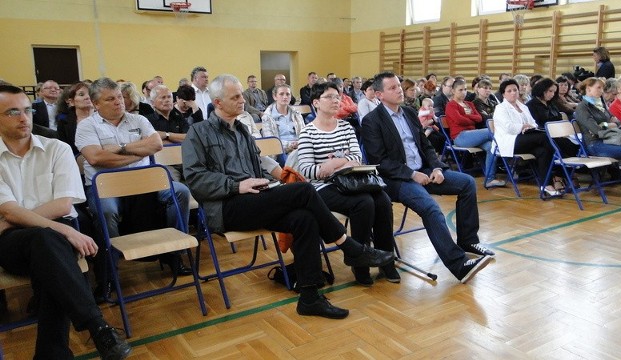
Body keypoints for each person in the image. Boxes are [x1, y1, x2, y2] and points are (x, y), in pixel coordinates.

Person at [182, 74, 394, 319]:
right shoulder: (198, 133)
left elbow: (260, 163)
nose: (243, 100)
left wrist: (280, 175)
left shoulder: (241, 130)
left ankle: (310, 298)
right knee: (304, 190)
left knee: (304, 218)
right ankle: (349, 247)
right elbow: (195, 179)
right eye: (236, 97)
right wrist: (236, 186)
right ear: (217, 103)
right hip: (226, 206)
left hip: (256, 199)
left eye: (241, 95)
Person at [0, 85, 131, 359]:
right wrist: (61, 228)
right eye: (13, 112)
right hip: (16, 243)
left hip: (39, 237)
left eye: (26, 110)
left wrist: (14, 219)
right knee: (48, 242)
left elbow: (62, 204)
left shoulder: (56, 148)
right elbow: (9, 210)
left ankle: (53, 354)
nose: (24, 118)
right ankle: (97, 326)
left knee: (50, 256)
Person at [361, 71, 493, 284]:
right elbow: (380, 162)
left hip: (425, 171)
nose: (399, 90)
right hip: (398, 179)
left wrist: (437, 168)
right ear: (379, 94)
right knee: (431, 208)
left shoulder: (409, 112)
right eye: (392, 88)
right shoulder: (371, 121)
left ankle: (468, 241)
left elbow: (426, 145)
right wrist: (412, 174)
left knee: (467, 183)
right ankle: (459, 266)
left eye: (399, 86)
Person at [75, 77, 193, 291]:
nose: (118, 102)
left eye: (119, 96)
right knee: (106, 211)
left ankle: (174, 256)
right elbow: (95, 158)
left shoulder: (138, 120)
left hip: (144, 181)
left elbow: (156, 144)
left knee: (181, 193)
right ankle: (109, 270)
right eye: (110, 99)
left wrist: (118, 149)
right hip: (106, 185)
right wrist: (136, 152)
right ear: (96, 104)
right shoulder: (86, 126)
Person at [297, 82, 399, 285]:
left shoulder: (345, 127)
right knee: (364, 203)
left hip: (351, 181)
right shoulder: (307, 132)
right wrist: (340, 163)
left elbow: (356, 157)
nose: (336, 100)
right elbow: (307, 170)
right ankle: (359, 261)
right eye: (329, 97)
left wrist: (334, 162)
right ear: (316, 102)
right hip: (322, 187)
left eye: (337, 96)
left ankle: (386, 260)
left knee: (382, 200)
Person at [575, 77, 621, 205]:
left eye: (602, 88)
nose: (601, 91)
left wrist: (608, 123)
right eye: (598, 88)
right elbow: (596, 129)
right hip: (595, 144)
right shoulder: (582, 107)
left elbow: (615, 120)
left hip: (609, 139)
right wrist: (607, 124)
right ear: (588, 89)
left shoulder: (600, 103)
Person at [492, 79, 559, 196]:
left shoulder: (523, 107)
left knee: (543, 151)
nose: (513, 93)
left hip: (527, 139)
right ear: (503, 94)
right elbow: (508, 127)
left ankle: (545, 185)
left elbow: (534, 123)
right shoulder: (500, 108)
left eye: (515, 90)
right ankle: (561, 166)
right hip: (510, 141)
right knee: (544, 138)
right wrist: (523, 126)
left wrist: (529, 127)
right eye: (509, 91)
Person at [445, 79, 504, 188]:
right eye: (460, 90)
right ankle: (510, 145)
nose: (464, 92)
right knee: (490, 131)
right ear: (453, 91)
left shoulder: (469, 104)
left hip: (473, 135)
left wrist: (466, 116)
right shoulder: (451, 105)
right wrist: (469, 117)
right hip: (460, 137)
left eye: (465, 89)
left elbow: (479, 118)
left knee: (492, 146)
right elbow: (459, 120)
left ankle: (489, 179)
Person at [261, 84, 305, 164]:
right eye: (281, 94)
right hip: (280, 151)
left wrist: (300, 143)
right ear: (275, 97)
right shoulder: (267, 116)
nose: (285, 97)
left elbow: (304, 133)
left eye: (288, 94)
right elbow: (271, 141)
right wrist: (291, 145)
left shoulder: (297, 113)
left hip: (299, 147)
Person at [56, 82, 94, 155]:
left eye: (90, 94)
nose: (87, 97)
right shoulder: (64, 121)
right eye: (81, 94)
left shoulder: (103, 117)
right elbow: (64, 147)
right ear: (72, 102)